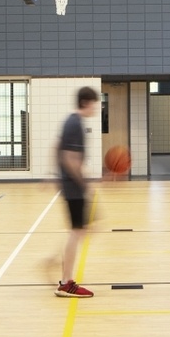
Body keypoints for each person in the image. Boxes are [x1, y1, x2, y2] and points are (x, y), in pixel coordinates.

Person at [55, 86, 100, 298]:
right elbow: (69, 159)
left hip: (70, 184)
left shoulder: (71, 121)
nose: (96, 108)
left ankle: (61, 268)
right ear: (86, 103)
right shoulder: (75, 124)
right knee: (78, 231)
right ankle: (66, 282)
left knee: (82, 230)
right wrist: (84, 184)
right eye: (94, 104)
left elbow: (57, 148)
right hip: (73, 186)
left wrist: (52, 175)